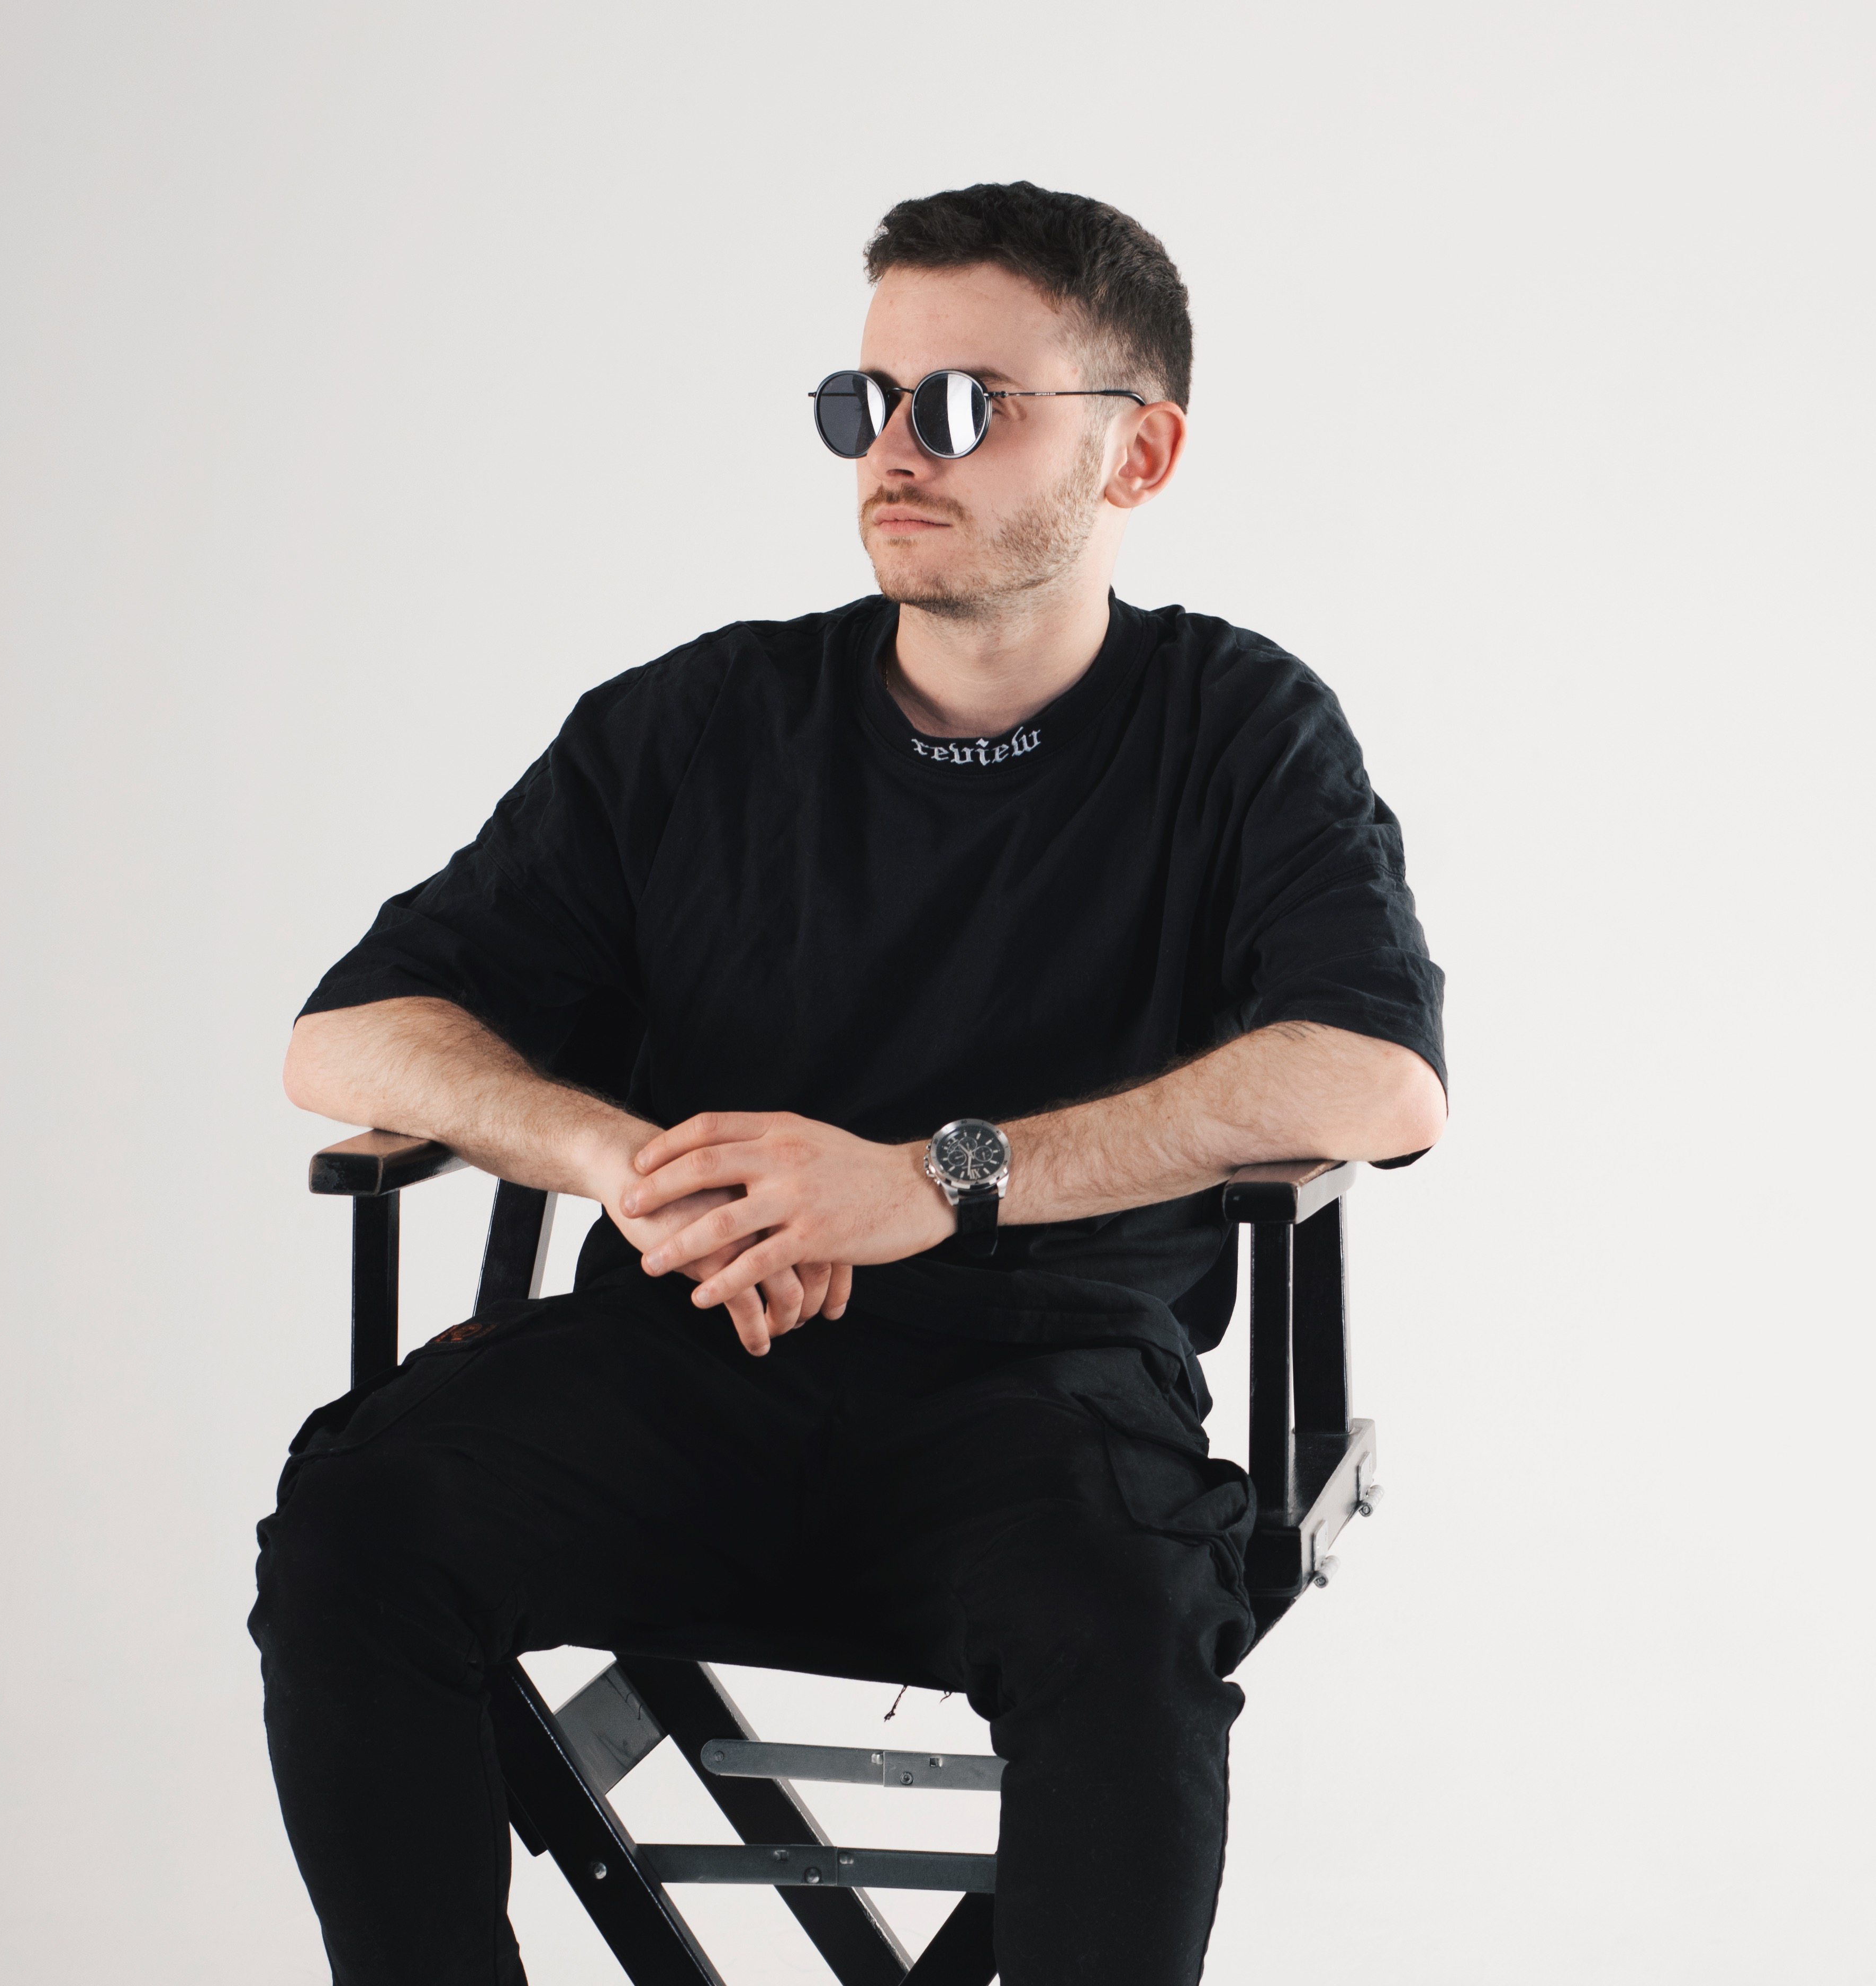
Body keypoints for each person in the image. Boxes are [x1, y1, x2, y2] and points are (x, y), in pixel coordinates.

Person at [252, 180, 1447, 1986]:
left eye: (966, 405)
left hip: (1042, 1398)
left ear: (1137, 453)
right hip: (687, 1357)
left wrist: (927, 1180)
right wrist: (640, 1164)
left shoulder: (1236, 728)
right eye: (866, 401)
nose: (896, 448)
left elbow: (1377, 1078)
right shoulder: (697, 722)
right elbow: (344, 1035)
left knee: (1124, 1624)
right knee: (360, 1526)